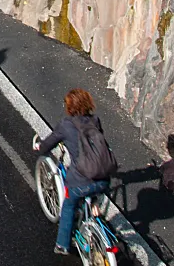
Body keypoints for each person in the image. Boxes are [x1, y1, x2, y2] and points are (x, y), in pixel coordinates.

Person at [33, 88, 115, 255]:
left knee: (69, 204)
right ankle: (94, 209)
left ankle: (62, 245)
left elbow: (48, 144)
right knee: (92, 190)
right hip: (104, 178)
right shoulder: (95, 120)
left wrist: (39, 147)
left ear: (69, 107)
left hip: (81, 181)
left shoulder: (66, 125)